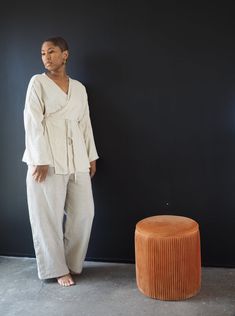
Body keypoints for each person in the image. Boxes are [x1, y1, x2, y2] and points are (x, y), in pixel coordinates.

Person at [22, 36, 99, 287]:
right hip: (48, 156)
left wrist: (90, 155)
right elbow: (32, 121)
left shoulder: (79, 88)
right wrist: (39, 159)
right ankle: (56, 268)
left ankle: (71, 262)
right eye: (43, 53)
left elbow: (85, 123)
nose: (46, 57)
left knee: (84, 213)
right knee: (48, 216)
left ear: (65, 54)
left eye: (51, 52)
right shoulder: (38, 83)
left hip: (76, 153)